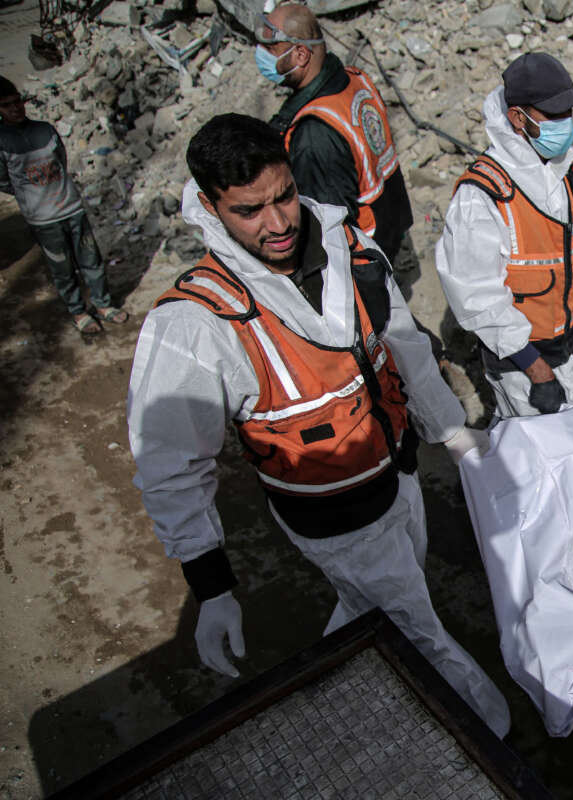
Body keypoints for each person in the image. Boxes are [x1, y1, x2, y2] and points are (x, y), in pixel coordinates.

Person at [126, 114, 509, 736]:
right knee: (415, 627)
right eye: (249, 210)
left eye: (283, 197)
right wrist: (212, 586)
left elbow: (405, 346)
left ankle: (345, 659)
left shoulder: (353, 251)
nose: (277, 224)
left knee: (381, 597)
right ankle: (486, 730)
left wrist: (450, 433)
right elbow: (170, 464)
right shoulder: (197, 323)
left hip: (398, 474)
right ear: (209, 206)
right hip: (335, 521)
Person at [435, 52, 573, 419]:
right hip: (520, 358)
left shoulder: (567, 169)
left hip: (563, 337)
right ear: (519, 118)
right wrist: (537, 373)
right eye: (554, 115)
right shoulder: (482, 195)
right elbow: (477, 298)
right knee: (534, 453)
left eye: (568, 112)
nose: (566, 124)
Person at [256, 4, 420, 285]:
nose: (261, 55)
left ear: (300, 54)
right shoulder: (355, 80)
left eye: (271, 48)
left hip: (363, 257)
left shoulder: (314, 135)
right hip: (389, 226)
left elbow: (328, 228)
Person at [0, 75, 127, 334]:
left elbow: (61, 160)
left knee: (91, 259)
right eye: (6, 105)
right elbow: (3, 180)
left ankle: (103, 305)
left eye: (17, 102)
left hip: (71, 209)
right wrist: (29, 195)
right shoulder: (1, 141)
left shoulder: (45, 130)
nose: (15, 108)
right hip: (43, 220)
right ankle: (78, 312)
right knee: (62, 268)